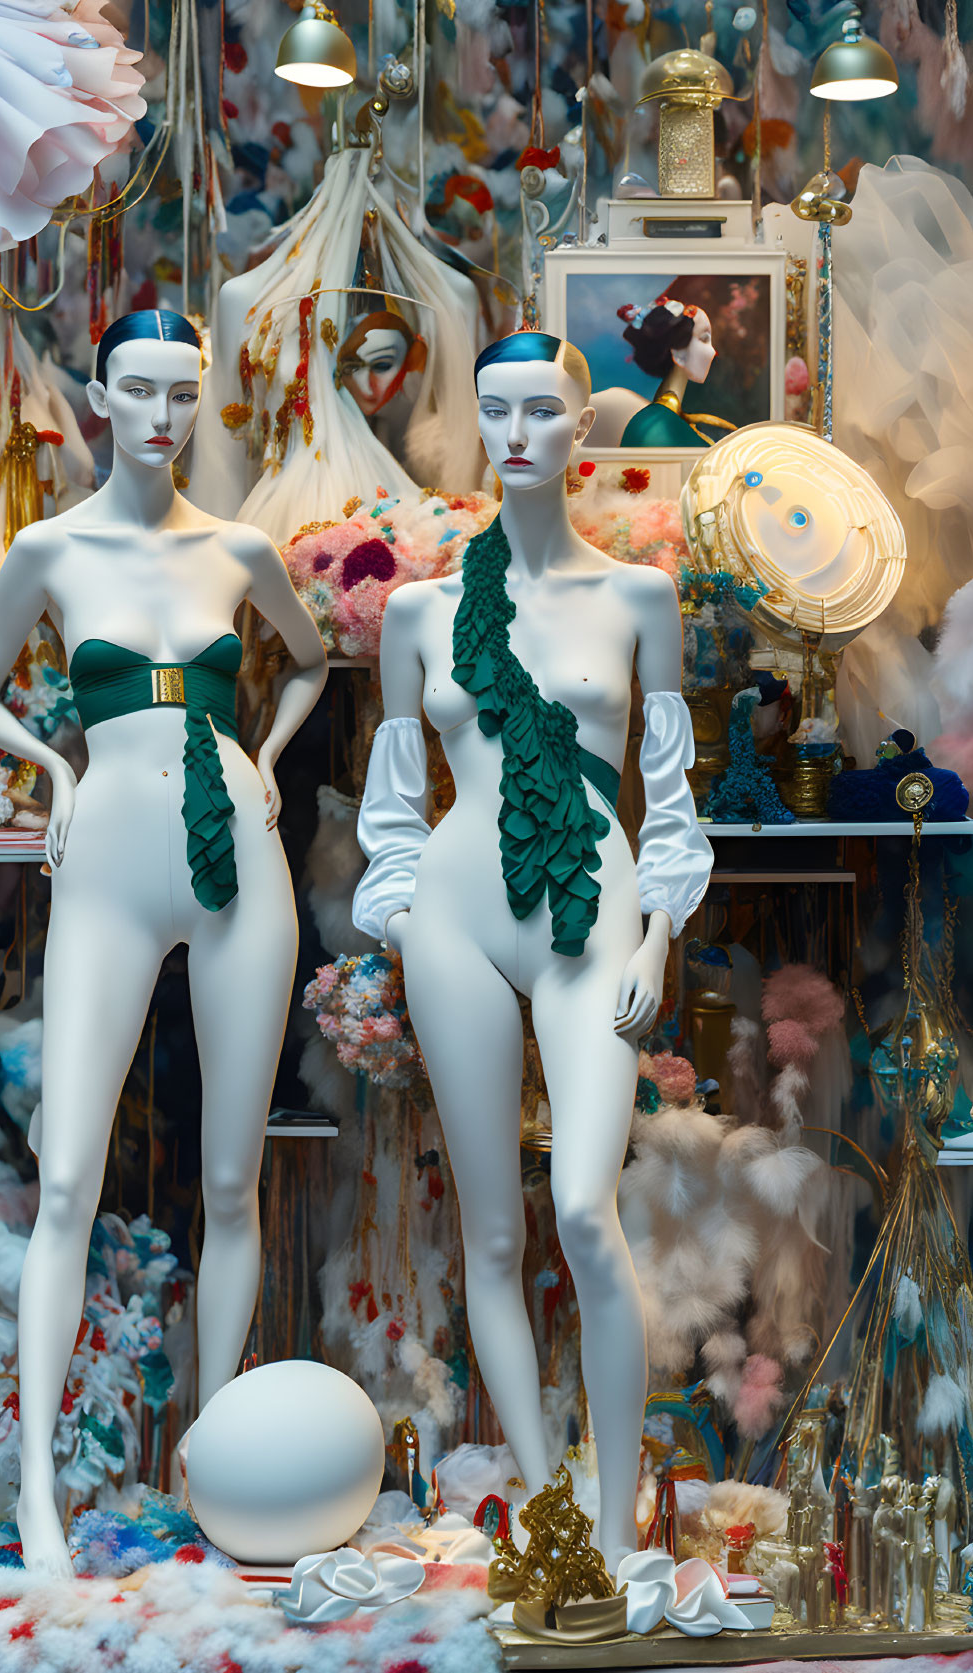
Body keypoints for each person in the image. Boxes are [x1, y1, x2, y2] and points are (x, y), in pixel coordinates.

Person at [0, 308, 327, 1573]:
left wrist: (267, 759)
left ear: (202, 397)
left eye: (183, 393)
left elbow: (313, 660)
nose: (162, 417)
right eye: (138, 391)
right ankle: (40, 1498)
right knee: (67, 1180)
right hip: (107, 857)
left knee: (233, 1182)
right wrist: (53, 773)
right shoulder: (48, 548)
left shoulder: (239, 545)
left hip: (239, 859)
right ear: (100, 398)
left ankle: (216, 1466)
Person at [353, 329, 712, 1569]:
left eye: (543, 411)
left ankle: (615, 1532)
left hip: (596, 912)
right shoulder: (418, 611)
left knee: (581, 1206)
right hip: (454, 913)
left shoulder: (637, 597)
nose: (517, 434)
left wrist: (658, 937)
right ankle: (552, 1505)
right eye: (494, 411)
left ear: (578, 429)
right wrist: (402, 915)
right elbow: (393, 807)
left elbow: (668, 800)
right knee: (492, 1234)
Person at [618, 296, 731, 448]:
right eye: (704, 339)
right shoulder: (658, 426)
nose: (713, 352)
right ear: (678, 353)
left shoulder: (668, 419)